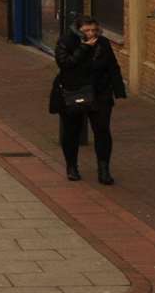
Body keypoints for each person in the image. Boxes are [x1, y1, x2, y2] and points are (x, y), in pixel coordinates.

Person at [49, 16, 128, 184]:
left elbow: (112, 66)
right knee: (72, 131)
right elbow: (65, 64)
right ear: (78, 30)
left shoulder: (103, 43)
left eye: (94, 30)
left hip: (100, 93)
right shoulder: (66, 41)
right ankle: (72, 167)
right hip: (73, 91)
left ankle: (104, 169)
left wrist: (118, 90)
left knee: (102, 130)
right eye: (87, 31)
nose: (91, 34)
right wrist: (84, 48)